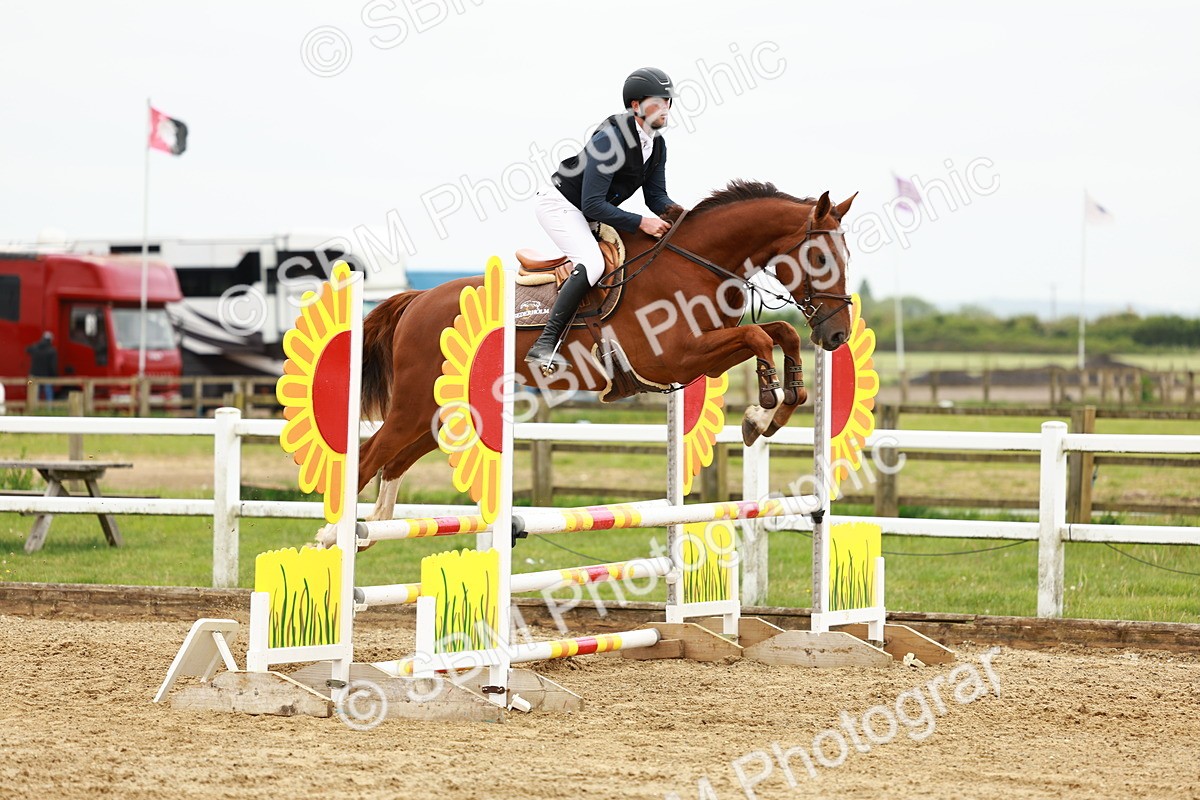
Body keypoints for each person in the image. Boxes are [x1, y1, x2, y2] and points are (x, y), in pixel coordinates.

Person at [525, 67, 681, 371]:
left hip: (589, 210)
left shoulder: (656, 145)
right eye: (657, 101)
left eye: (668, 101)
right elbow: (593, 204)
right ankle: (544, 343)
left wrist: (688, 218)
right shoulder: (610, 139)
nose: (665, 107)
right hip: (561, 205)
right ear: (635, 106)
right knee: (593, 262)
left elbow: (656, 199)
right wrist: (641, 222)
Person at [26, 331, 58, 402]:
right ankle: (49, 410)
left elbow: (27, 349)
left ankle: (33, 409)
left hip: (33, 376)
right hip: (46, 377)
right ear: (51, 340)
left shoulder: (34, 347)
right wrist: (54, 376)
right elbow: (53, 366)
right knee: (48, 393)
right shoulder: (52, 351)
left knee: (32, 390)